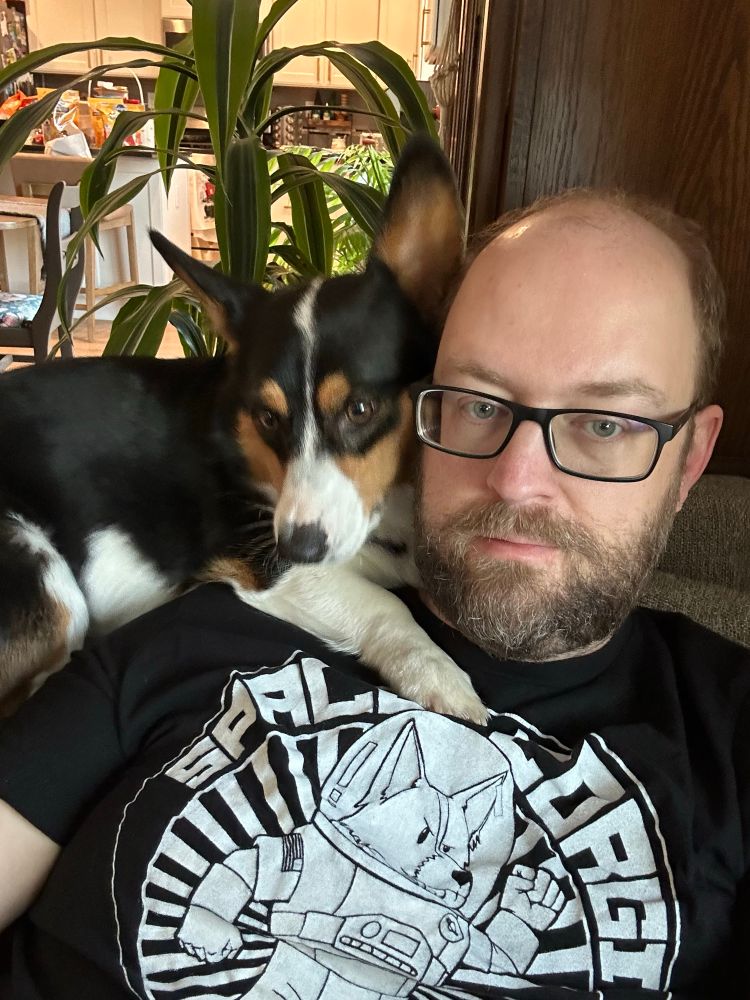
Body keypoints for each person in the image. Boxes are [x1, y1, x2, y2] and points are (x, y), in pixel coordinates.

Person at [0, 188, 747, 1000]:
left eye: (606, 424)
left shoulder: (728, 727)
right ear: (426, 393)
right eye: (475, 402)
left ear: (693, 457)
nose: (519, 480)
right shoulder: (189, 625)